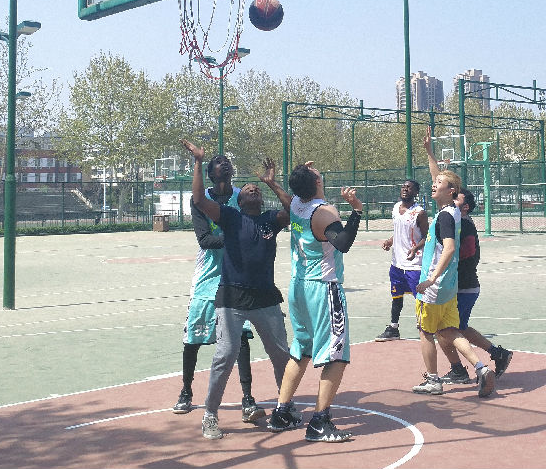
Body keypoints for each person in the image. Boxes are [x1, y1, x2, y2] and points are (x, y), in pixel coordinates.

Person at [181, 139, 293, 440]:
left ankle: (285, 407)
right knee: (225, 355)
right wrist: (198, 162)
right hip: (231, 297)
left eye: (256, 189)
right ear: (238, 201)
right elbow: (199, 200)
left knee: (281, 355)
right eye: (248, 189)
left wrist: (271, 183)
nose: (252, 189)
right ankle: (210, 414)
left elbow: (294, 210)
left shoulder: (271, 221)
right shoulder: (230, 218)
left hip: (265, 297)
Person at [268, 163, 363, 443]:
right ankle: (320, 422)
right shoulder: (324, 213)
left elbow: (290, 196)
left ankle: (281, 412)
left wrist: (287, 179)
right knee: (336, 356)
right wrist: (356, 210)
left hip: (298, 286)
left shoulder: (297, 204)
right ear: (317, 183)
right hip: (323, 287)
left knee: (301, 350)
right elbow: (343, 243)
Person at [172, 153, 264, 424]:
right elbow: (205, 240)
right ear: (211, 174)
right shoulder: (200, 200)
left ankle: (248, 398)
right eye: (218, 162)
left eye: (227, 162)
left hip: (235, 274)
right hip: (207, 275)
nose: (225, 163)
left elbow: (254, 224)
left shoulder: (241, 196)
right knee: (193, 338)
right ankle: (186, 390)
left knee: (241, 337)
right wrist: (237, 236)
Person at [411, 129, 495, 398]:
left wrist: (431, 278)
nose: (434, 183)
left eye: (439, 183)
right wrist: (429, 153)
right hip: (449, 288)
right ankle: (481, 368)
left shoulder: (446, 217)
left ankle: (433, 380)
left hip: (435, 287)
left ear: (451, 191)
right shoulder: (451, 211)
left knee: (425, 332)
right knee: (449, 330)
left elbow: (448, 248)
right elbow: (437, 176)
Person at [438, 187, 513, 385]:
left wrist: (443, 260)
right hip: (461, 286)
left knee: (445, 329)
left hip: (464, 287)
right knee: (458, 329)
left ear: (465, 207)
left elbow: (468, 253)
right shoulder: (456, 221)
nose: (453, 200)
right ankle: (498, 354)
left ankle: (461, 370)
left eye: (457, 198)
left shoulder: (464, 224)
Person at [375, 180, 428, 341]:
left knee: (421, 298)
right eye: (403, 187)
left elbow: (427, 237)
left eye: (409, 187)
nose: (405, 189)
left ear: (415, 192)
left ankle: (428, 328)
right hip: (396, 264)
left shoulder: (419, 213)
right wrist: (390, 241)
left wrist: (415, 248)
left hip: (414, 264)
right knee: (396, 296)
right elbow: (399, 231)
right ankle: (393, 328)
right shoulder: (396, 208)